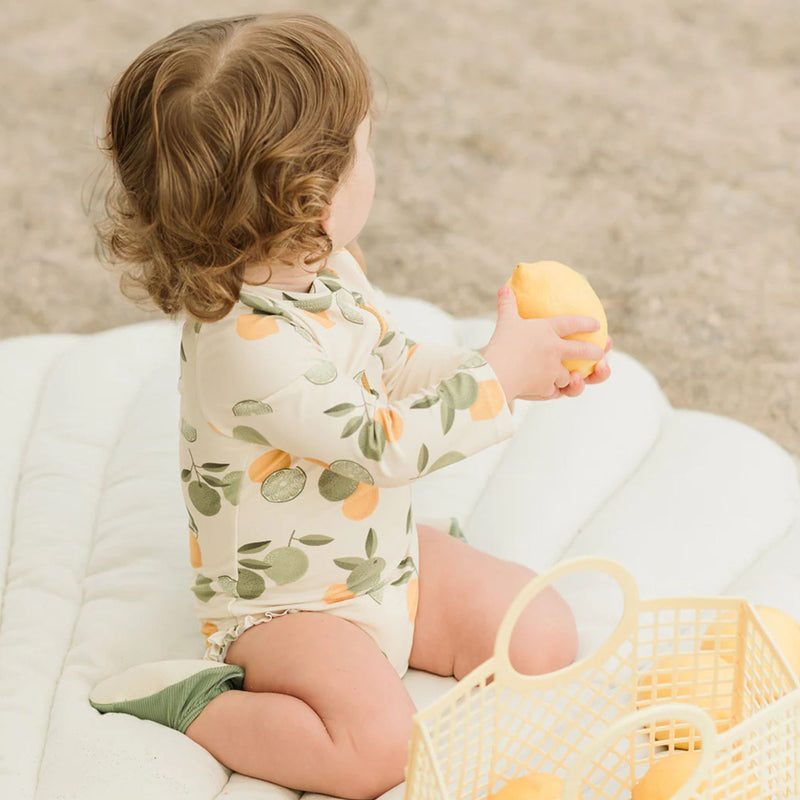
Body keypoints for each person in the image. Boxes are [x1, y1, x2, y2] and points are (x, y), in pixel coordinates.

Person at [88, 11, 612, 799]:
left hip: (381, 560)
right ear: (310, 197)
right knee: (376, 753)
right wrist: (498, 378)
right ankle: (196, 705)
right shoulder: (244, 350)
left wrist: (505, 368)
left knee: (540, 634)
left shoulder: (326, 268)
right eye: (365, 146)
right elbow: (379, 444)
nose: (375, 161)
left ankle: (407, 606)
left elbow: (393, 367)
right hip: (293, 607)